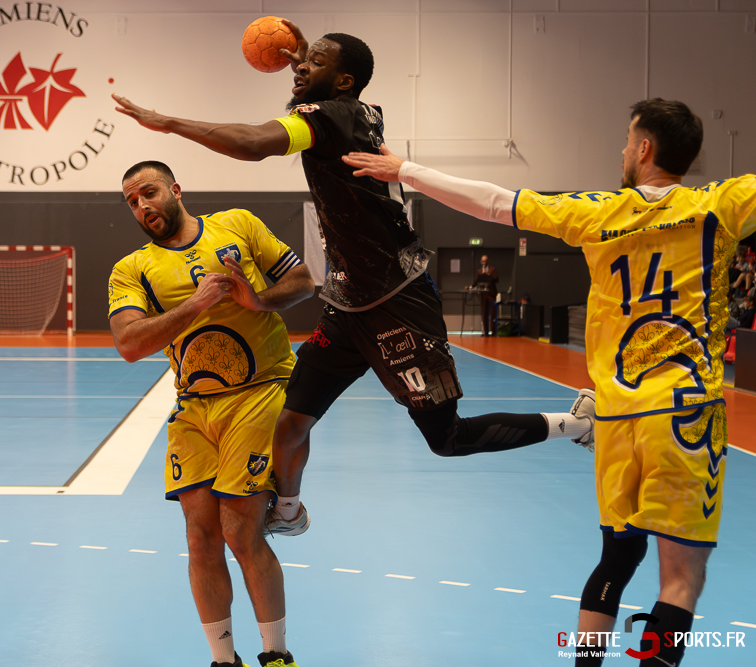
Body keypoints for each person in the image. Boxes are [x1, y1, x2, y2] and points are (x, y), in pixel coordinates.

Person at [113, 22, 595, 538]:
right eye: (304, 61)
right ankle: (289, 511)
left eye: (315, 63)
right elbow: (323, 90)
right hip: (347, 304)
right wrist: (307, 59)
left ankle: (579, 423)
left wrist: (166, 122)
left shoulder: (329, 117)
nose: (301, 67)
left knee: (447, 439)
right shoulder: (353, 111)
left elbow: (254, 142)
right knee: (291, 421)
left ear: (343, 81)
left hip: (397, 302)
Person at [344, 98, 756, 667]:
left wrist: (404, 170)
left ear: (644, 148)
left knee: (617, 558)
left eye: (626, 139)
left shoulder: (599, 211)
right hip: (685, 414)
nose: (621, 149)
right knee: (681, 578)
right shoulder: (722, 204)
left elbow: (493, 202)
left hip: (615, 416)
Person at [109, 161, 313, 667]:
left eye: (149, 193)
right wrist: (195, 305)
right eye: (132, 201)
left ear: (175, 190)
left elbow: (304, 281)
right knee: (200, 540)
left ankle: (277, 656)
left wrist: (258, 300)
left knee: (240, 531)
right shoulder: (131, 268)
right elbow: (129, 344)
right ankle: (224, 660)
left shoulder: (237, 224)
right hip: (194, 407)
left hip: (260, 389)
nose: (142, 206)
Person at [468, 254, 499, 336]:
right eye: (482, 261)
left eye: (485, 261)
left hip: (491, 294)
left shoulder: (493, 269)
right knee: (484, 313)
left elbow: (496, 279)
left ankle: (493, 331)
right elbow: (475, 281)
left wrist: (488, 276)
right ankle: (485, 332)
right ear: (480, 262)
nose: (484, 262)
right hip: (483, 295)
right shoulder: (479, 271)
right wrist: (470, 287)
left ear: (488, 261)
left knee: (492, 313)